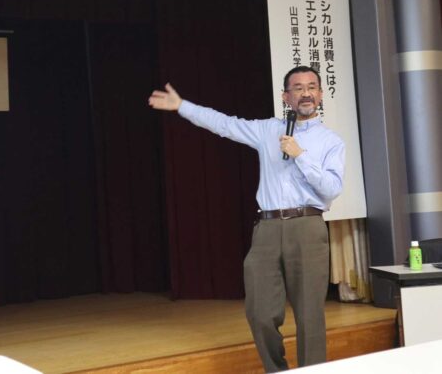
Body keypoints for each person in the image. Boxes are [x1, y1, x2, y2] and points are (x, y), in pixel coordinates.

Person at [148, 66, 345, 372]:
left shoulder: (331, 141)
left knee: (309, 315)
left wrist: (300, 155)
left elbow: (332, 189)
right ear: (286, 97)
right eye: (297, 88)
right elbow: (225, 125)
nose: (305, 93)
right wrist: (182, 106)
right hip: (267, 227)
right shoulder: (268, 130)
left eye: (311, 87)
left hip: (307, 226)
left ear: (320, 94)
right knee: (259, 312)